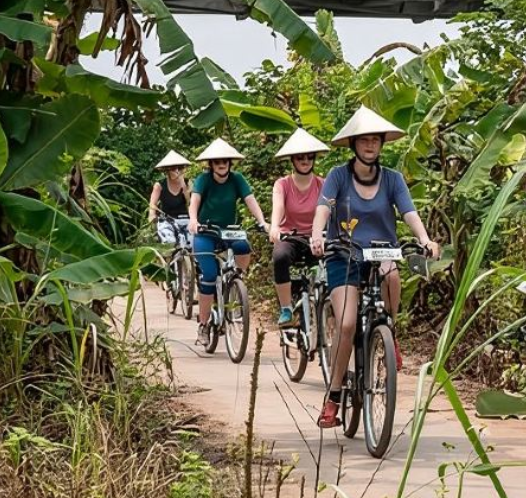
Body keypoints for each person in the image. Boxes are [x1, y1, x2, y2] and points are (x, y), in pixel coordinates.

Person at [310, 107, 439, 428]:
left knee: (392, 274)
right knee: (347, 324)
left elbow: (409, 212)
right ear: (353, 144)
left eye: (375, 140)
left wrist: (424, 238)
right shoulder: (338, 176)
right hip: (344, 254)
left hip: (381, 252)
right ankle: (334, 395)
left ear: (382, 144)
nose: (370, 145)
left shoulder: (393, 179)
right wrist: (316, 234)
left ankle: (388, 330)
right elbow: (324, 209)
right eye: (364, 140)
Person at [188, 138, 269, 345]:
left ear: (230, 163)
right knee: (209, 274)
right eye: (217, 161)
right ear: (211, 164)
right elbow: (194, 201)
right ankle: (204, 325)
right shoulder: (203, 180)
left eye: (225, 161)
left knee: (244, 247)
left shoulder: (237, 179)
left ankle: (236, 280)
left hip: (229, 231)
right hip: (206, 232)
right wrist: (194, 220)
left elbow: (250, 200)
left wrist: (262, 222)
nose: (222, 164)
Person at [269, 128, 329, 327]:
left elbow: (333, 210)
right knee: (280, 257)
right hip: (291, 237)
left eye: (309, 157)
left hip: (317, 237)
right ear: (292, 160)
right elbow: (278, 206)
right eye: (300, 157)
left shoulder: (323, 184)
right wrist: (275, 227)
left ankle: (330, 307)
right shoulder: (283, 184)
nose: (305, 161)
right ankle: (286, 308)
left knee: (339, 257)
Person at [149, 150, 192, 245]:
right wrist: (152, 215)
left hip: (186, 219)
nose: (177, 171)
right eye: (173, 168)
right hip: (167, 220)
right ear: (167, 171)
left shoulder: (188, 183)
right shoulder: (159, 185)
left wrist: (183, 186)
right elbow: (152, 204)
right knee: (169, 243)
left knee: (192, 242)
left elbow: (190, 203)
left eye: (180, 168)